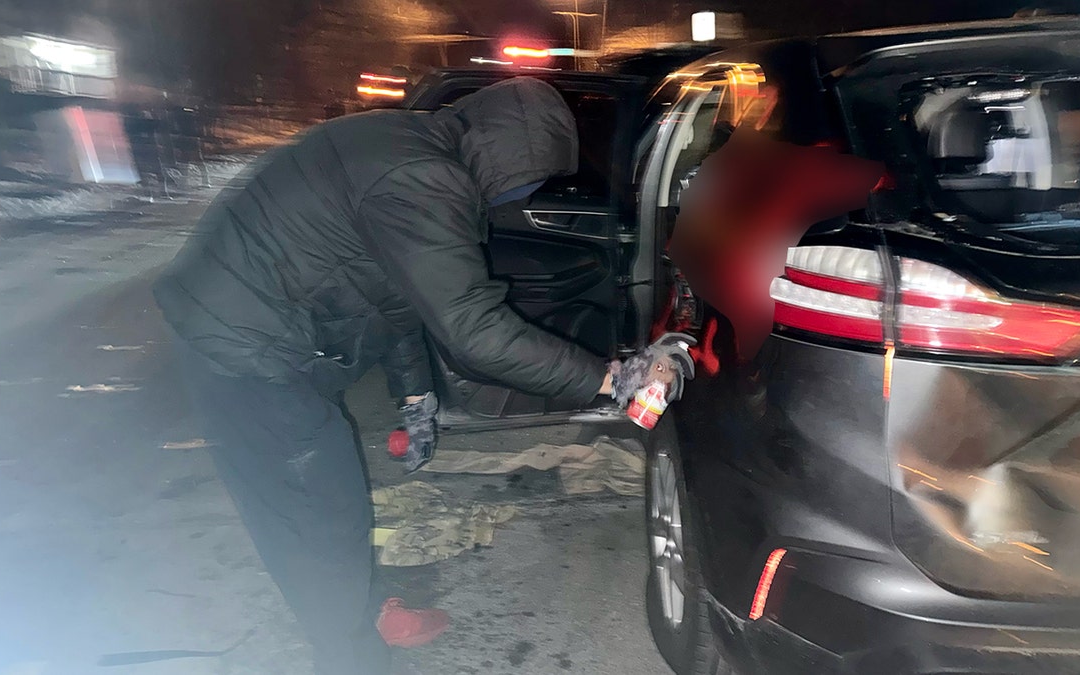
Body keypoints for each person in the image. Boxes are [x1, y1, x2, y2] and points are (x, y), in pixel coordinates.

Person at [153, 77, 694, 675]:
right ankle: (351, 656)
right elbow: (475, 332)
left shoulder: (412, 148)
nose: (524, 192)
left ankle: (359, 612)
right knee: (316, 514)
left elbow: (400, 296)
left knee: (329, 503)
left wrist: (414, 394)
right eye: (530, 176)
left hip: (259, 326)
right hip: (242, 344)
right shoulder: (422, 179)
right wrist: (611, 378)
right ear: (506, 152)